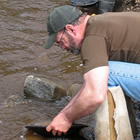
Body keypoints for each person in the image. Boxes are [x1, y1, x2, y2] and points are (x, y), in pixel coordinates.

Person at [44, 5, 140, 136]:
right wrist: (62, 114)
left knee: (106, 76)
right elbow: (90, 84)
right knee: (100, 75)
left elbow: (95, 94)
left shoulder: (92, 38)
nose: (63, 48)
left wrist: (67, 119)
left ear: (70, 29)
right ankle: (133, 132)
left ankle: (122, 136)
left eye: (60, 41)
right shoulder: (102, 22)